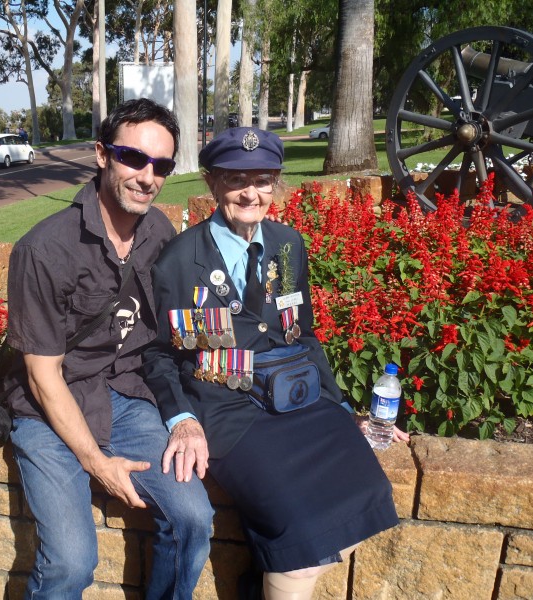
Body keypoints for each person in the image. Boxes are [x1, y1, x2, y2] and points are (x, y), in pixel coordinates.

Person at [143, 126, 409, 600]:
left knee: (369, 493)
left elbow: (303, 332)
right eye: (236, 179)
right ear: (212, 183)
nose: (252, 193)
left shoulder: (287, 244)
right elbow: (161, 353)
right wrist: (182, 419)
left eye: (264, 179)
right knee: (300, 540)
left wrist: (342, 408)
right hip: (232, 413)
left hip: (300, 397)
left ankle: (261, 584)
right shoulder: (181, 261)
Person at [3, 99, 213, 599]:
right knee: (72, 564)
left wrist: (187, 414)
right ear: (102, 154)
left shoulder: (159, 231)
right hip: (49, 408)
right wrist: (97, 462)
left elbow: (176, 331)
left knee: (193, 519)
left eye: (161, 165)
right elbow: (42, 378)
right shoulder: (44, 250)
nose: (148, 176)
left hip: (124, 390)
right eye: (133, 158)